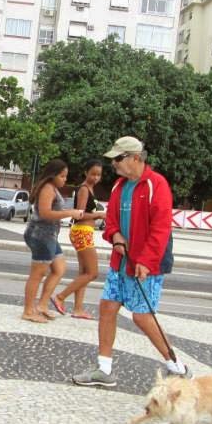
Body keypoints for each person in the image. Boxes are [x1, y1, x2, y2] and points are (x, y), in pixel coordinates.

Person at [71, 136, 187, 387]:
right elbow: (110, 220)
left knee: (142, 317)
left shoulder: (157, 185)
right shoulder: (119, 187)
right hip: (120, 262)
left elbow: (161, 228)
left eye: (118, 158)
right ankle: (104, 369)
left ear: (136, 157)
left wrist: (145, 260)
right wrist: (115, 237)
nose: (114, 164)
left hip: (149, 264)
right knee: (107, 307)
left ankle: (176, 367)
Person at [21, 159, 84, 323]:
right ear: (53, 175)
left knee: (59, 268)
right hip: (41, 235)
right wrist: (69, 212)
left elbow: (52, 211)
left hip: (49, 235)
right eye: (62, 176)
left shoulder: (53, 188)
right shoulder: (47, 189)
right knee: (37, 274)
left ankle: (42, 305)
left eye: (66, 176)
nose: (65, 179)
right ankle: (28, 310)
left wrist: (66, 212)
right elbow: (45, 213)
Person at [51, 159, 106, 320]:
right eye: (93, 174)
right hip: (82, 230)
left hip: (85, 231)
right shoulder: (84, 189)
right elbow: (80, 214)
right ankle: (60, 297)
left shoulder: (89, 189)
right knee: (93, 272)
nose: (96, 177)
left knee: (84, 272)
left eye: (99, 175)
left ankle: (78, 308)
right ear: (86, 172)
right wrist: (99, 214)